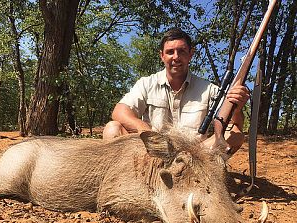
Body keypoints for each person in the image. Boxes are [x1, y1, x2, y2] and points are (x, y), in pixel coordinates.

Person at [103, 28, 249, 154]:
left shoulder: (210, 89)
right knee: (112, 129)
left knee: (235, 135)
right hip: (152, 153)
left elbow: (234, 125)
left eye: (181, 51)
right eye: (170, 52)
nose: (176, 57)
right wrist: (143, 128)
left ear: (190, 54)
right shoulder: (146, 83)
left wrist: (236, 107)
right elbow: (119, 111)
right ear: (162, 56)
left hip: (196, 155)